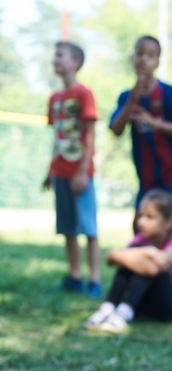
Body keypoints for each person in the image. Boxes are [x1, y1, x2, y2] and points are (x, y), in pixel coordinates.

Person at [82, 190, 172, 334]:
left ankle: (123, 313)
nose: (141, 222)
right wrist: (149, 252)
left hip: (170, 308)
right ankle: (108, 308)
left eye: (149, 217)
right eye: (140, 215)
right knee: (132, 258)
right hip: (145, 303)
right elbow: (110, 257)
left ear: (168, 222)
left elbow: (155, 267)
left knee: (141, 261)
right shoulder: (139, 241)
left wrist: (143, 252)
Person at [110, 36, 172, 210]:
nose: (143, 59)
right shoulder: (126, 97)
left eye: (150, 55)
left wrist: (154, 123)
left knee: (171, 224)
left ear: (157, 62)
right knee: (141, 223)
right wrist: (133, 99)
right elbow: (116, 129)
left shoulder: (168, 93)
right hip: (148, 175)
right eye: (140, 53)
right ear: (132, 59)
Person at [42, 41, 102, 297]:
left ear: (75, 62)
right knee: (67, 228)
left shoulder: (83, 94)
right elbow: (58, 138)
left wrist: (82, 171)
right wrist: (49, 171)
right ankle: (74, 276)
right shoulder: (55, 98)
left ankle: (95, 281)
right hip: (60, 173)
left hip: (81, 174)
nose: (55, 60)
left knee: (88, 228)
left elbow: (89, 136)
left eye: (60, 55)